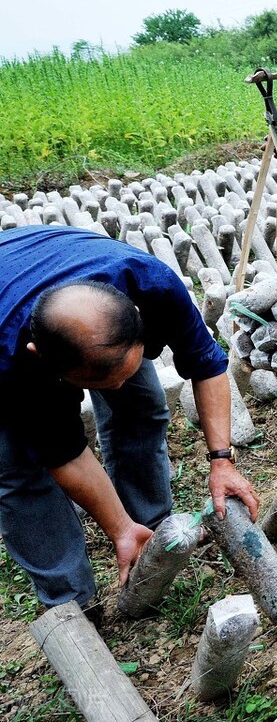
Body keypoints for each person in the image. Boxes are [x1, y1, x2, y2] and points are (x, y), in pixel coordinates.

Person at [0, 225, 260, 611]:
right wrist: (116, 527)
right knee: (18, 469)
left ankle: (153, 530)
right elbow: (64, 453)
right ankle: (70, 601)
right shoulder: (13, 360)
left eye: (124, 370)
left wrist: (221, 461)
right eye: (101, 381)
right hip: (9, 310)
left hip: (58, 258)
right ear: (42, 357)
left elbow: (206, 366)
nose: (115, 388)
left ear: (136, 319)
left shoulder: (154, 286)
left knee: (141, 404)